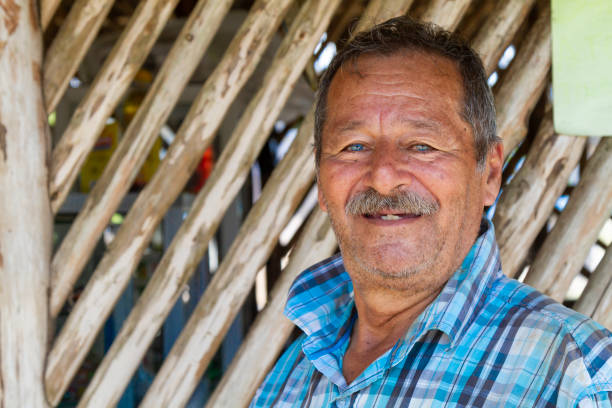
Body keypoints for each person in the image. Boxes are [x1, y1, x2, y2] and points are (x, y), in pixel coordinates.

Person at [250, 16, 612, 407]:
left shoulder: (577, 377)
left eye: (422, 145)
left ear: (489, 173)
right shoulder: (297, 369)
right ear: (321, 180)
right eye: (354, 146)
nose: (384, 177)